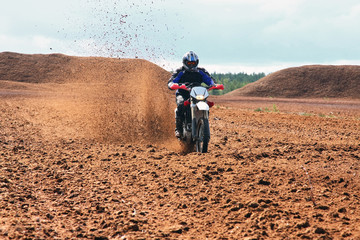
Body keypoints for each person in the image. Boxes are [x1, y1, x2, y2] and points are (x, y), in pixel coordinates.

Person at [168, 51, 216, 138]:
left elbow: (209, 79)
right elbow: (172, 81)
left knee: (206, 103)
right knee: (181, 104)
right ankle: (178, 129)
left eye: (193, 63)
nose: (191, 65)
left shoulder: (201, 71)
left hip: (197, 94)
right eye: (189, 63)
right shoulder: (180, 71)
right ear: (185, 62)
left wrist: (214, 84)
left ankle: (203, 123)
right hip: (183, 93)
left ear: (197, 63)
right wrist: (173, 84)